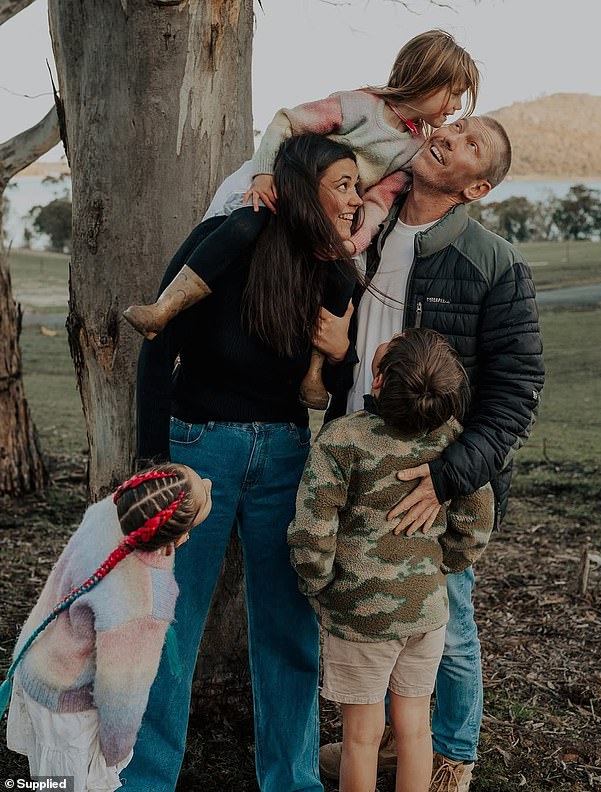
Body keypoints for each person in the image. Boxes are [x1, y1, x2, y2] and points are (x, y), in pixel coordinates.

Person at [121, 134, 363, 792]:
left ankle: (292, 781)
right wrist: (151, 460)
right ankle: (144, 781)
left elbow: (339, 395)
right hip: (200, 448)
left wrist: (342, 356)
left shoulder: (336, 274)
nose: (355, 198)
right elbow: (156, 346)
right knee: (167, 623)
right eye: (342, 184)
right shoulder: (227, 237)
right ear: (300, 186)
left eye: (357, 186)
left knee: (288, 630)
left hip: (286, 455)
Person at [319, 115, 545, 792]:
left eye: (471, 143)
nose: (450, 132)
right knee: (367, 610)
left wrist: (449, 477)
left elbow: (516, 391)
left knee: (446, 620)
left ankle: (451, 757)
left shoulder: (495, 264)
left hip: (433, 478)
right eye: (455, 124)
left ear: (475, 187)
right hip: (357, 458)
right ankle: (384, 747)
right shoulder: (365, 230)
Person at [122, 29, 479, 409]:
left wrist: (352, 243)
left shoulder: (413, 151)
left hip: (329, 216)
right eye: (453, 92)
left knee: (343, 278)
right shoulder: (360, 107)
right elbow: (286, 123)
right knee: (240, 226)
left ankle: (313, 375)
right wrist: (263, 172)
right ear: (425, 78)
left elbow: (376, 203)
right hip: (278, 186)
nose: (456, 105)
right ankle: (167, 307)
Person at [288, 328, 495, 792]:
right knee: (415, 729)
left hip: (360, 616)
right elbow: (476, 521)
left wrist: (317, 584)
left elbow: (312, 529)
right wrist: (444, 566)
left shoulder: (343, 439)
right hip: (425, 610)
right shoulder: (453, 444)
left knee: (361, 739)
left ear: (378, 383)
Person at [2, 464, 212, 792]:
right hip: (69, 713)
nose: (209, 484)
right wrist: (116, 750)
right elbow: (122, 690)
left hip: (39, 666)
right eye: (206, 493)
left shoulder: (109, 513)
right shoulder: (143, 600)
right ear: (181, 535)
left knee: (47, 783)